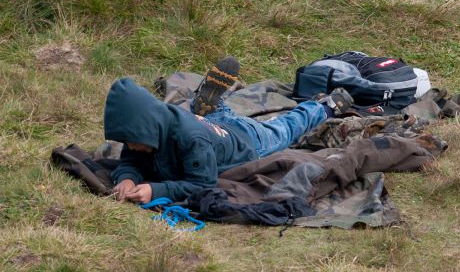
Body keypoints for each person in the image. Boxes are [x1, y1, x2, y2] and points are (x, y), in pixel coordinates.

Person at [104, 57, 353, 204]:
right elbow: (131, 160)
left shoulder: (191, 139)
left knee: (286, 129)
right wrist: (126, 178)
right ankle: (209, 106)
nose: (132, 146)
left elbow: (202, 184)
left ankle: (325, 106)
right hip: (216, 126)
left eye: (133, 141)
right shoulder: (147, 129)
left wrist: (155, 189)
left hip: (248, 141)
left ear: (147, 127)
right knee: (215, 120)